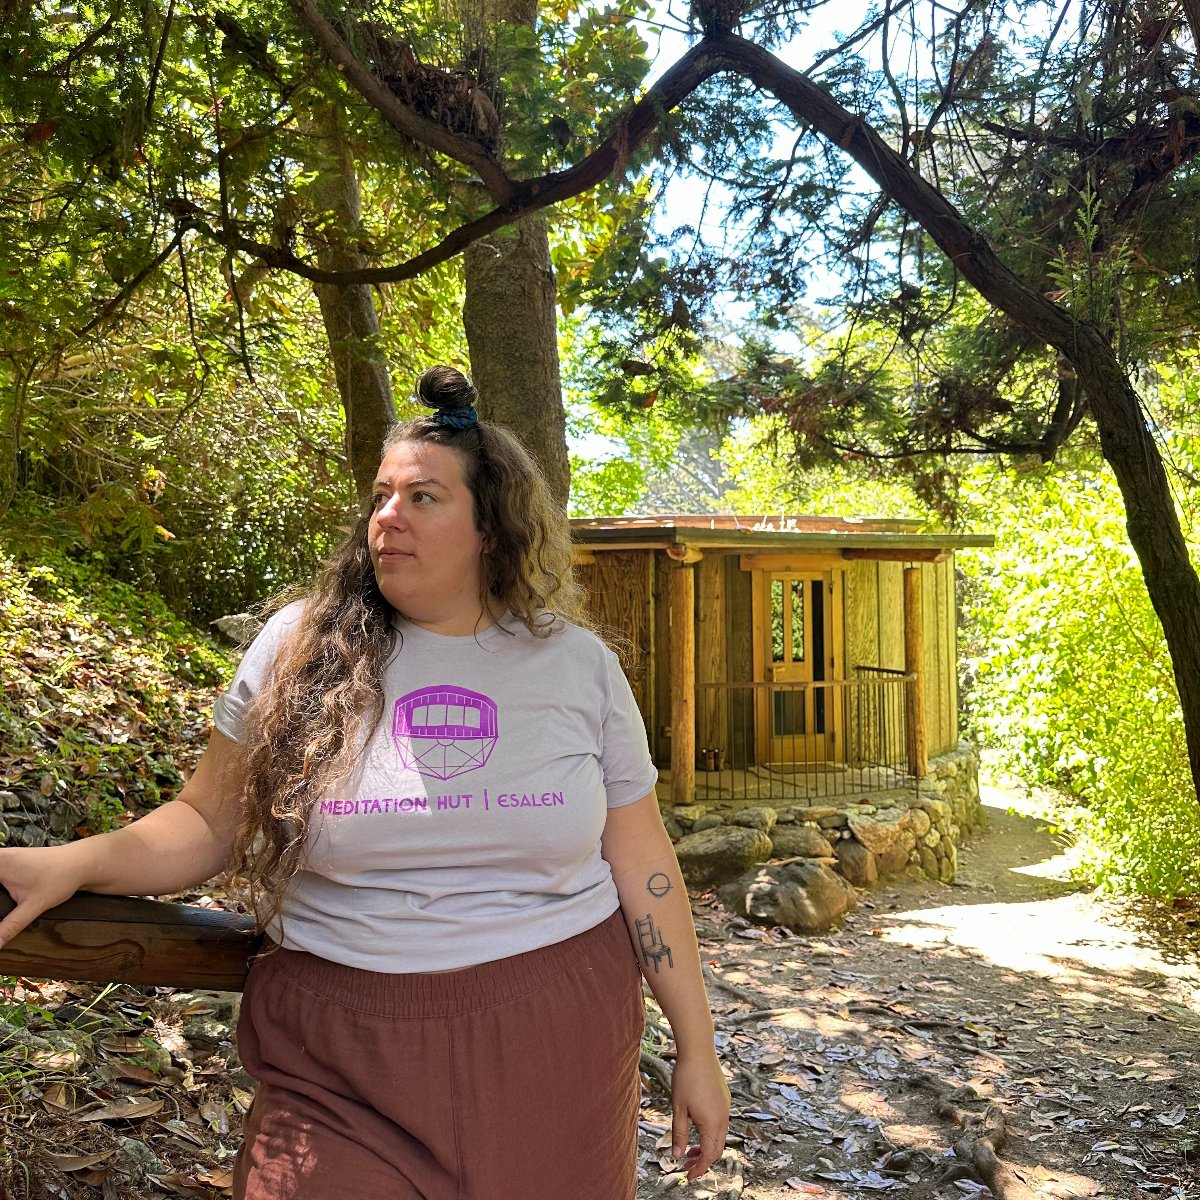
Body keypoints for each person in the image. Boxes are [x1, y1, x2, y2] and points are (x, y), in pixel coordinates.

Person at [0, 366, 730, 1200]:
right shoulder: (299, 648)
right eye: (381, 496)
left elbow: (642, 863)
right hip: (337, 1054)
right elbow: (208, 820)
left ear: (492, 528)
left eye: (423, 497)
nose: (388, 517)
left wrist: (697, 1050)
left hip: (555, 1039)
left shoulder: (576, 665)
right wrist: (73, 863)